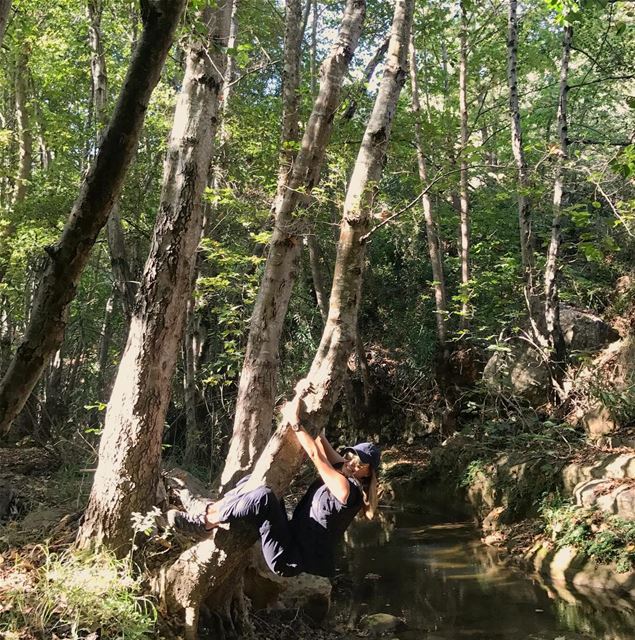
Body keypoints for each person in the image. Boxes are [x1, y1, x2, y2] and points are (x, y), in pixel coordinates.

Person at [168, 429, 380, 578]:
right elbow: (320, 441)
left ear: (368, 472)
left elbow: (316, 456)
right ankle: (212, 509)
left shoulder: (347, 490)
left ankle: (204, 523)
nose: (352, 462)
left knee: (263, 497)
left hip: (289, 558)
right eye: (351, 455)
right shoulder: (345, 469)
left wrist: (296, 423)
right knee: (255, 482)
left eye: (360, 462)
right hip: (290, 535)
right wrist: (305, 407)